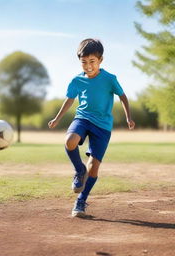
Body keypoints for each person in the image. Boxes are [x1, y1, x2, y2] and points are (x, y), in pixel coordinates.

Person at [48, 38, 135, 218]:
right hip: (83, 118)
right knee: (69, 141)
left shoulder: (109, 79)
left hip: (103, 126)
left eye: (92, 62)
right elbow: (70, 99)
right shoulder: (77, 81)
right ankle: (79, 170)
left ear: (100, 60)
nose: (88, 66)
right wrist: (57, 118)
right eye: (84, 62)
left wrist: (128, 117)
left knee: (94, 168)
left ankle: (81, 200)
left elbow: (123, 96)